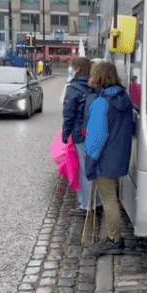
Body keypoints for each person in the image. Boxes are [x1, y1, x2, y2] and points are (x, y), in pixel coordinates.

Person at [84, 61, 135, 257]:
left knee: (109, 201)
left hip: (104, 158)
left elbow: (95, 139)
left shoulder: (101, 103)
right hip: (119, 156)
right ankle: (115, 237)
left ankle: (115, 240)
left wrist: (90, 161)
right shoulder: (124, 98)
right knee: (113, 198)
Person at [61, 57, 97, 215]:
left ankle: (87, 206)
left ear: (77, 70)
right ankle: (98, 202)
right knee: (95, 168)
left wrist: (65, 134)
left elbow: (68, 114)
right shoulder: (96, 86)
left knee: (83, 169)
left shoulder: (74, 88)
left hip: (80, 134)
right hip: (97, 133)